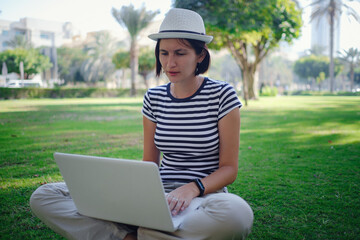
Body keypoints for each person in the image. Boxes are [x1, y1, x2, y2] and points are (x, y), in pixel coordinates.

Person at [30, 8, 253, 240]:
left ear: (200, 55)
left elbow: (229, 169)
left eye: (180, 53)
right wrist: (138, 197)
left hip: (205, 197)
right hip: (157, 196)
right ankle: (131, 235)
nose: (170, 63)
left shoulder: (222, 94)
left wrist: (192, 188)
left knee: (237, 215)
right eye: (164, 53)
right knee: (45, 195)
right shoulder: (153, 98)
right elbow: (150, 164)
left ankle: (144, 233)